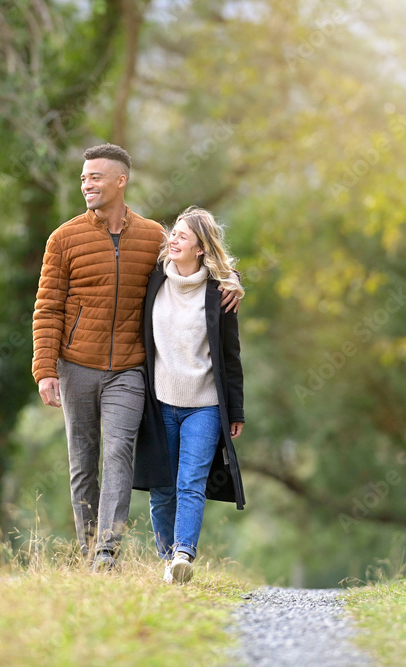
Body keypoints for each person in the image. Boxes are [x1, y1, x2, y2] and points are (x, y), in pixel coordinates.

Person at [31, 144, 239, 571]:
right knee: (83, 461)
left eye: (95, 177)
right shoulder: (64, 238)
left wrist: (234, 282)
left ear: (120, 181)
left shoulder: (151, 237)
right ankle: (88, 548)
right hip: (75, 366)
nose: (86, 184)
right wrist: (45, 369)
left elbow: (196, 260)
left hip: (129, 369)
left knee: (120, 453)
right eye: (84, 177)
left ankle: (108, 551)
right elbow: (47, 307)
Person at [133, 206, 246, 584]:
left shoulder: (219, 294)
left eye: (183, 235)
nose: (173, 239)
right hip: (160, 401)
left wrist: (236, 409)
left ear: (201, 248)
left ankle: (183, 554)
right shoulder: (153, 280)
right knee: (162, 488)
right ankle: (168, 560)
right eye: (173, 233)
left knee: (190, 482)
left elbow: (230, 356)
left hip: (205, 405)